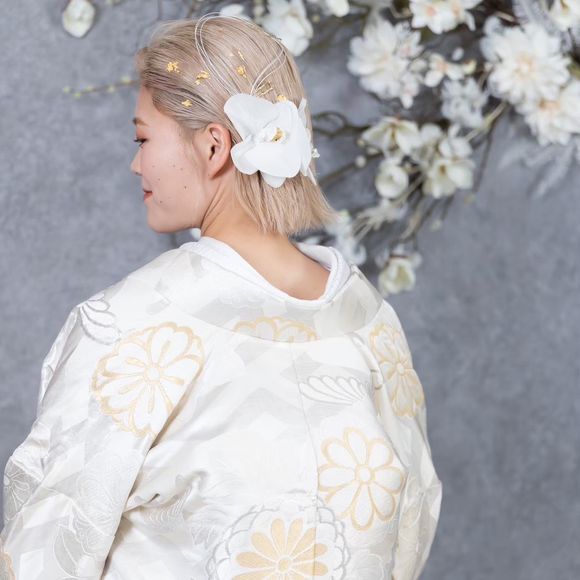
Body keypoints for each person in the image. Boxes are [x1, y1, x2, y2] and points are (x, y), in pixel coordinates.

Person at [0, 13, 442, 580]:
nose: (136, 163)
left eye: (142, 138)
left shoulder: (131, 326)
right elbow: (411, 524)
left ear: (214, 147)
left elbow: (46, 553)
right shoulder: (369, 322)